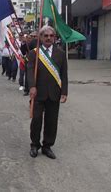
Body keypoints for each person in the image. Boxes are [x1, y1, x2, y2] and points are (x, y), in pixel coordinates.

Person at [27, 25, 68, 159]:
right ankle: (34, 144)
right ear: (41, 37)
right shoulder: (34, 53)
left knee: (52, 121)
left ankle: (47, 146)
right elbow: (29, 71)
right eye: (46, 36)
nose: (48, 38)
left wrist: (64, 92)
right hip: (38, 93)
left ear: (55, 38)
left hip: (54, 93)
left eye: (51, 36)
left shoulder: (61, 53)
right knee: (36, 120)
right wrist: (32, 86)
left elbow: (64, 74)